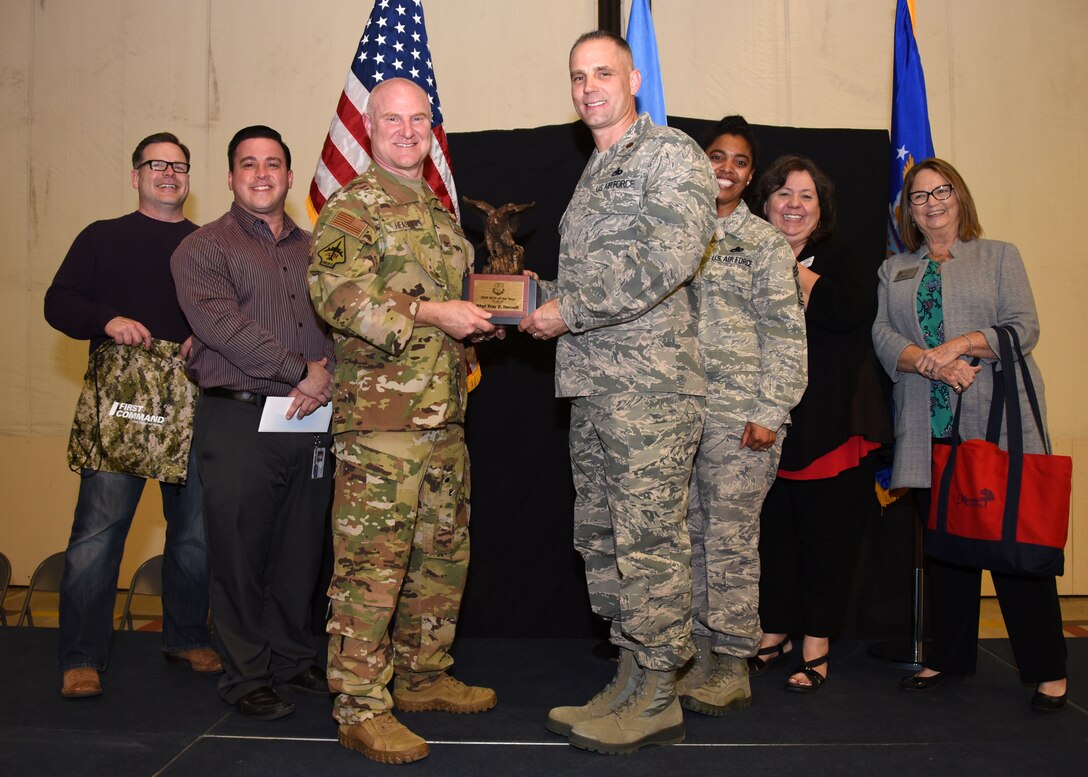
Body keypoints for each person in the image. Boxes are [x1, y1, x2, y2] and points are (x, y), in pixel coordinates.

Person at [519, 31, 716, 754]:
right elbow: (587, 278)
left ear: (633, 77)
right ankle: (632, 675)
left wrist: (564, 309)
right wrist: (530, 302)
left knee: (651, 543)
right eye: (577, 76)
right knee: (603, 541)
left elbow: (663, 258)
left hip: (651, 389)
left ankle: (660, 692)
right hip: (597, 388)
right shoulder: (596, 170)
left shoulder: (670, 155)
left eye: (603, 73)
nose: (589, 87)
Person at [308, 78, 499, 765]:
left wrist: (477, 323)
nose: (408, 130)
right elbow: (336, 293)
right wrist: (428, 314)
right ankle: (359, 704)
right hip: (382, 424)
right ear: (369, 124)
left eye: (419, 119)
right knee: (373, 568)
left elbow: (451, 306)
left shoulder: (440, 215)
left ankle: (422, 671)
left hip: (444, 417)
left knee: (440, 558)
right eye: (394, 119)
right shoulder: (353, 208)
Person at [872, 157, 1067, 712]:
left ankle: (1048, 668)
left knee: (1013, 548)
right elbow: (884, 336)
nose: (932, 204)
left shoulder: (999, 255)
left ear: (961, 198)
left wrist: (959, 346)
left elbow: (1023, 327)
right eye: (919, 196)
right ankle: (950, 658)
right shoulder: (896, 269)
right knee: (948, 548)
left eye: (942, 192)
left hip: (998, 426)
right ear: (906, 209)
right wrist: (935, 366)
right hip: (927, 425)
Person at [44, 132, 221, 699]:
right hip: (119, 409)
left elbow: (227, 317)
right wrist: (108, 320)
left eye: (179, 166)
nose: (169, 173)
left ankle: (186, 636)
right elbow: (58, 301)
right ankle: (81, 656)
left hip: (192, 406)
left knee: (195, 535)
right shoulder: (102, 237)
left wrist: (206, 337)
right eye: (157, 165)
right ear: (135, 175)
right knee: (98, 535)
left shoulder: (206, 245)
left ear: (189, 177)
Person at [171, 125, 336, 720]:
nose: (262, 174)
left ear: (290, 177)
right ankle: (245, 674)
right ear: (232, 176)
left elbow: (344, 321)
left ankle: (293, 657)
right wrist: (301, 371)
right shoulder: (202, 249)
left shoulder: (320, 247)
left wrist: (330, 376)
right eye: (248, 164)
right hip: (239, 416)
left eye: (273, 164)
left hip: (311, 419)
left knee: (300, 549)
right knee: (239, 552)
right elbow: (221, 327)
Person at [678, 119, 807, 715]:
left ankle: (732, 662)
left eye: (738, 162)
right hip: (678, 419)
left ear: (750, 175)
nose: (725, 169)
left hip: (741, 421)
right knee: (690, 541)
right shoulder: (675, 236)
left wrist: (769, 413)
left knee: (730, 543)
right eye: (716, 156)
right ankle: (699, 655)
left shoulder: (763, 245)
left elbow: (786, 338)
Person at [749, 155, 892, 693]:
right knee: (774, 538)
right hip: (762, 423)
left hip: (829, 426)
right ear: (763, 205)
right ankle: (775, 630)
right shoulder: (743, 258)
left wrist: (790, 268)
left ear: (821, 208)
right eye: (782, 193)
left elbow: (844, 311)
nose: (793, 204)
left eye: (806, 195)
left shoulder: (843, 258)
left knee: (824, 540)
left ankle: (816, 643)